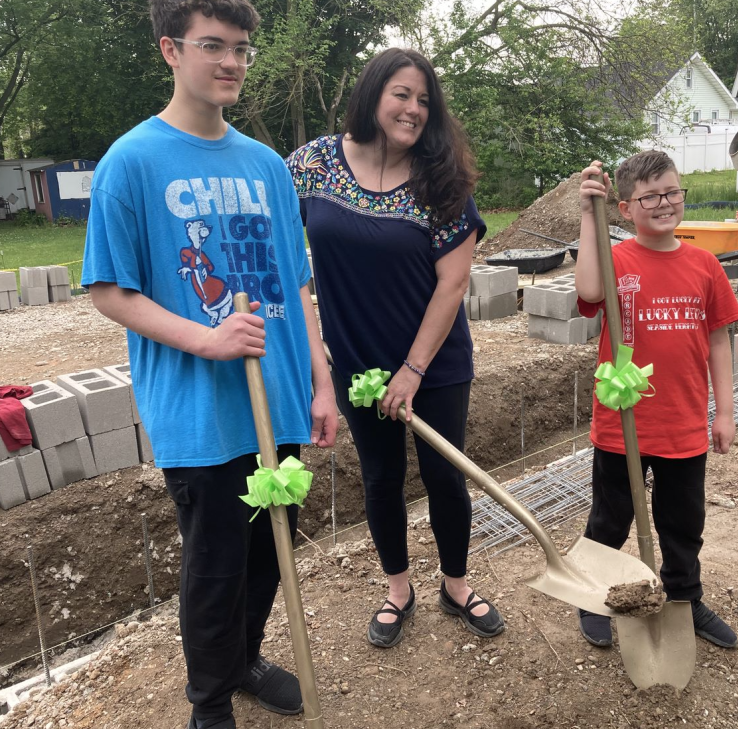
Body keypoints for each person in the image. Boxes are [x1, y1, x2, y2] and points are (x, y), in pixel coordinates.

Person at [82, 2, 339, 727]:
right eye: (213, 46)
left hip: (279, 398)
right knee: (216, 564)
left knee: (269, 551)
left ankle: (245, 658)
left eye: (242, 49)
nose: (230, 62)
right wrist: (207, 339)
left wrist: (321, 384)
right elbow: (109, 288)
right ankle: (210, 699)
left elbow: (296, 284)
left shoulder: (265, 166)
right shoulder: (132, 162)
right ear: (171, 49)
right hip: (202, 408)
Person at [286, 47, 504, 649]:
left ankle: (456, 585)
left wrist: (412, 370)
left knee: (445, 477)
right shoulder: (312, 166)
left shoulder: (443, 182)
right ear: (373, 94)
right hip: (358, 364)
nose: (412, 109)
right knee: (381, 479)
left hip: (433, 363)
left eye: (423, 101)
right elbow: (276, 248)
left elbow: (453, 283)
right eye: (401, 94)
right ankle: (398, 589)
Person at [573, 151, 738, 650]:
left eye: (671, 192)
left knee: (683, 522)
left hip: (683, 422)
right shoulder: (615, 259)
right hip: (622, 422)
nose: (664, 203)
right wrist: (589, 215)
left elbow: (718, 341)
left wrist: (725, 413)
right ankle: (593, 596)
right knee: (609, 518)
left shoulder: (705, 265)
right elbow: (586, 289)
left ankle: (685, 601)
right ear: (626, 209)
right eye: (649, 196)